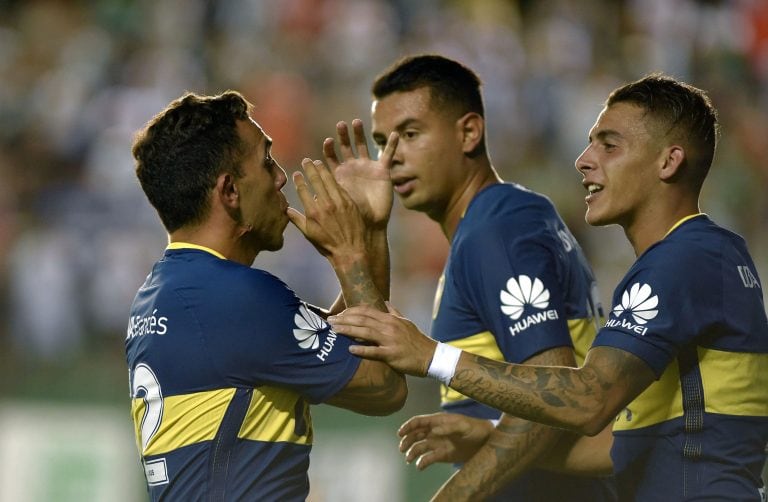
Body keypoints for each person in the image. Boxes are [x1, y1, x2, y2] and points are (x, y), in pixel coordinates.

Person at [329, 74, 768, 501]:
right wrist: (489, 432)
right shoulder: (703, 255)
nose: (584, 159)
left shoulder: (682, 260)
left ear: (668, 162)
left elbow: (587, 400)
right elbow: (621, 440)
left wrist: (431, 357)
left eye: (609, 145)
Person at [125, 90, 406, 500]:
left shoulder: (169, 293)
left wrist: (366, 233)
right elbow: (383, 385)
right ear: (230, 192)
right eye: (266, 162)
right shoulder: (235, 299)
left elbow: (356, 350)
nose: (280, 178)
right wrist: (347, 253)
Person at [366, 54, 616, 500]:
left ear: (469, 132)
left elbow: (552, 389)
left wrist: (454, 496)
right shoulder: (496, 222)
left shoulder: (496, 229)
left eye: (409, 134)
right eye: (382, 142)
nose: (390, 159)